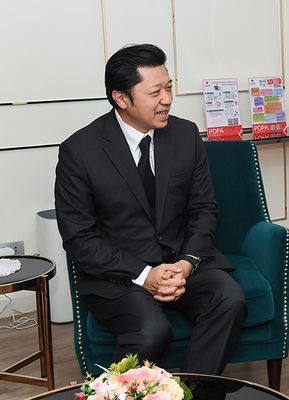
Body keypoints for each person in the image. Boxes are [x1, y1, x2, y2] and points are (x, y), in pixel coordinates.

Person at [55, 43, 247, 375]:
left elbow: (203, 209)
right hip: (120, 275)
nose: (167, 99)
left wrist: (186, 264)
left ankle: (193, 392)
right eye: (155, 91)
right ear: (121, 98)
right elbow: (79, 239)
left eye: (169, 87)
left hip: (183, 261)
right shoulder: (80, 151)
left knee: (229, 299)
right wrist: (146, 276)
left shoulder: (185, 135)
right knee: (151, 332)